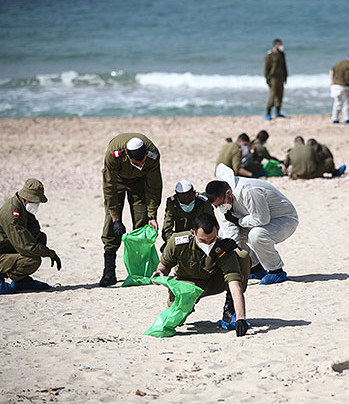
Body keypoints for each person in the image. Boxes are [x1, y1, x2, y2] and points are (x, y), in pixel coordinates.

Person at [152, 213, 251, 337]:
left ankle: (230, 308)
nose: (208, 244)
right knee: (177, 316)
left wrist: (241, 319)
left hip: (213, 282)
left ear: (218, 231)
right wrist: (159, 274)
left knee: (242, 256)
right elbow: (164, 266)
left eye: (212, 239)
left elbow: (234, 283)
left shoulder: (223, 247)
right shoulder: (177, 242)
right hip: (187, 285)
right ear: (193, 233)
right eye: (203, 240)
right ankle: (182, 306)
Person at [206, 164, 299, 285]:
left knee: (256, 235)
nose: (220, 207)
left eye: (221, 203)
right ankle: (256, 268)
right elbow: (231, 236)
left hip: (284, 220)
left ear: (228, 192)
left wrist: (238, 221)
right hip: (257, 221)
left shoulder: (248, 190)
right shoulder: (222, 203)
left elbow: (262, 219)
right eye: (217, 206)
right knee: (226, 237)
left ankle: (276, 270)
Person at [0, 178, 62, 294]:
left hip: (7, 248)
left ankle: (22, 281)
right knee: (32, 260)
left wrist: (42, 246)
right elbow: (26, 246)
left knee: (41, 238)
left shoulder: (22, 207)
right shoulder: (12, 214)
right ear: (26, 198)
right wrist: (49, 253)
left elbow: (35, 231)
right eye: (34, 201)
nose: (36, 204)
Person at [100, 133, 162, 287]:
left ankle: (139, 271)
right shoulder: (113, 155)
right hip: (117, 181)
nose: (141, 165)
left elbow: (154, 186)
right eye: (137, 163)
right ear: (127, 155)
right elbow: (109, 186)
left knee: (141, 222)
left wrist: (152, 214)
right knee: (110, 226)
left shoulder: (153, 155)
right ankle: (109, 271)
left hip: (139, 182)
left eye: (143, 162)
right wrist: (116, 218)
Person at [161, 180, 215, 252]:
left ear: (194, 193)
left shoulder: (204, 202)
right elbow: (166, 230)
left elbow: (213, 224)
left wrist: (203, 240)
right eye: (183, 203)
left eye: (190, 202)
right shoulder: (172, 204)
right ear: (177, 197)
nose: (187, 204)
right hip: (182, 239)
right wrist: (176, 243)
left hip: (202, 238)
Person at [264, 38, 288, 120]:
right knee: (272, 95)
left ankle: (278, 112)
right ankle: (268, 113)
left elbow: (284, 66)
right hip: (273, 78)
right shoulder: (270, 55)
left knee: (280, 95)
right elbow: (266, 68)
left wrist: (285, 77)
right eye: (280, 44)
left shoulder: (282, 54)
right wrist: (266, 78)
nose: (281, 46)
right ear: (275, 45)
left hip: (281, 77)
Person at [330, 52, 349, 124]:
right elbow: (347, 79)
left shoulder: (339, 63)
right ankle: (347, 119)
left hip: (335, 86)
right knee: (347, 103)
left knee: (337, 103)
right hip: (343, 87)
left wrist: (331, 80)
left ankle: (335, 119)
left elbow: (331, 70)